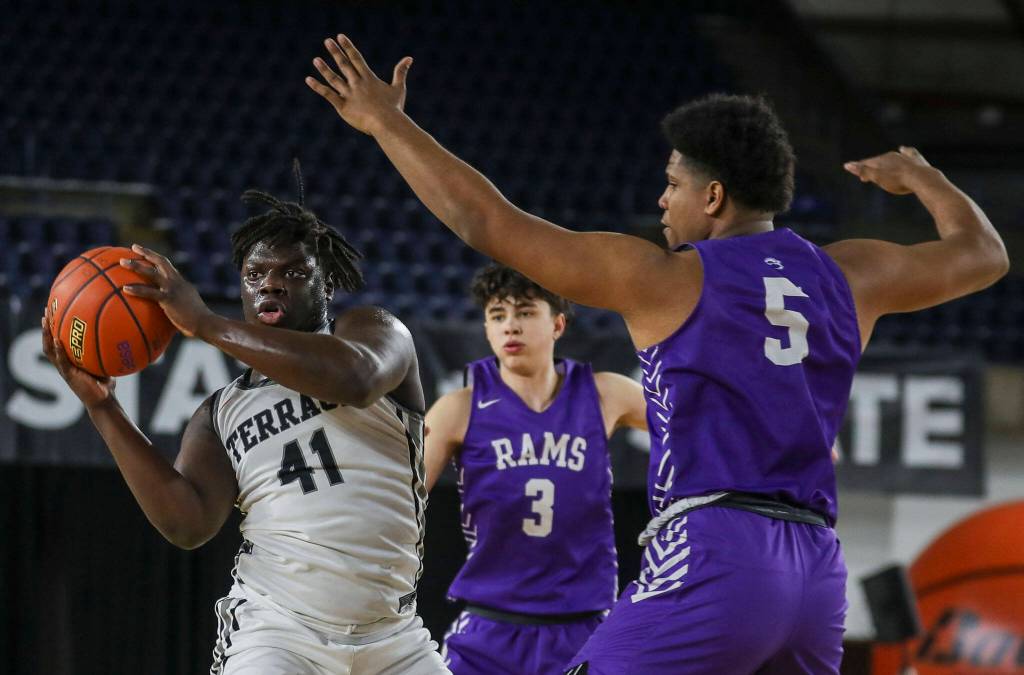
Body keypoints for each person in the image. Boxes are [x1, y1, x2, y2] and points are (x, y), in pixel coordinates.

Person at [305, 36, 1008, 674]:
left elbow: (485, 220)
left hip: (717, 551)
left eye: (673, 184)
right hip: (817, 571)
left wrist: (385, 123)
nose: (662, 200)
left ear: (714, 195)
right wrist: (923, 176)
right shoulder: (852, 274)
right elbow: (983, 255)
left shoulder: (668, 277)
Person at [42, 176, 450, 675]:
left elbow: (356, 378)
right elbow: (188, 524)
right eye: (255, 273)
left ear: (327, 284)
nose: (270, 283)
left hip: (396, 636)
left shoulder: (375, 332)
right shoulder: (220, 413)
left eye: (294, 272)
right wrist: (104, 409)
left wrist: (206, 324)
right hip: (277, 632)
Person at [425, 263, 646, 674]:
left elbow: (693, 429)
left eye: (525, 312)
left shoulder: (605, 393)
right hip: (488, 628)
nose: (510, 326)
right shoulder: (458, 408)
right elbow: (401, 494)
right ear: (488, 330)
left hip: (585, 627)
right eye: (497, 316)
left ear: (557, 324)